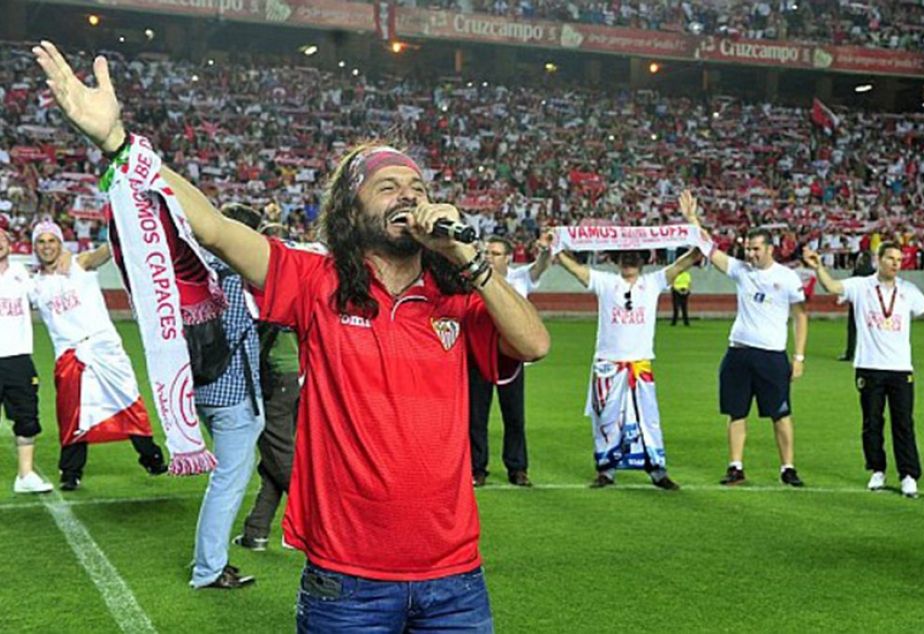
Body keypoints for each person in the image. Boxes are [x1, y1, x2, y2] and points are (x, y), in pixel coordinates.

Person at [34, 41, 548, 631]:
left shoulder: (458, 294)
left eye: (418, 187)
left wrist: (469, 259)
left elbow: (532, 344)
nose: (410, 194)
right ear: (352, 213)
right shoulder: (316, 281)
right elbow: (218, 231)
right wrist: (121, 144)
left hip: (455, 578)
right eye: (388, 187)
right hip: (347, 583)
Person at [803, 243, 924, 498]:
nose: (896, 263)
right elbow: (832, 287)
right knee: (872, 422)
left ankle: (909, 475)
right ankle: (877, 470)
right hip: (869, 367)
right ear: (879, 259)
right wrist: (819, 267)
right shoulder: (861, 285)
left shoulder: (908, 290)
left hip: (900, 368)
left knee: (904, 423)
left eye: (899, 259)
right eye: (890, 258)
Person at [679, 191, 808, 487]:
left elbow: (801, 317)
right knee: (736, 412)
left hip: (772, 356)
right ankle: (735, 466)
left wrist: (798, 357)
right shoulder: (740, 271)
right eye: (748, 248)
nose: (750, 254)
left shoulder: (788, 278)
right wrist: (691, 219)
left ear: (770, 249)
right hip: (738, 352)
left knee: (780, 414)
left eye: (755, 249)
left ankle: (788, 468)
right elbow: (708, 248)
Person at [28, 221, 166, 491]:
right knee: (72, 414)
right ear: (35, 247)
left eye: (52, 241)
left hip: (105, 349)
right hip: (70, 356)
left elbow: (108, 250)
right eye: (41, 242)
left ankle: (151, 457)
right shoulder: (34, 284)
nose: (47, 247)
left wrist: (123, 221)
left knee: (129, 403)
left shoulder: (80, 264)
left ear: (60, 243)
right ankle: (70, 472)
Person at [555, 239, 701, 490]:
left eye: (634, 255)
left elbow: (684, 262)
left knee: (648, 419)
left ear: (644, 259)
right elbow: (576, 270)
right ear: (616, 259)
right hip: (607, 363)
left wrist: (695, 231)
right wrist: (556, 247)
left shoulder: (653, 282)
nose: (629, 259)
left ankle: (657, 469)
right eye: (624, 254)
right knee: (605, 420)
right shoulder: (606, 282)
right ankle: (606, 470)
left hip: (639, 364)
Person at [190, 203, 266, 590]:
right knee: (227, 483)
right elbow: (253, 321)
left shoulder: (197, 265)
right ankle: (208, 568)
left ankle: (210, 561)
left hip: (203, 385)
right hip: (234, 390)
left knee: (225, 479)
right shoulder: (238, 274)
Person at [235, 222, 300, 552]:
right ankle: (256, 531)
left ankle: (313, 521)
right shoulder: (298, 280)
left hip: (274, 378)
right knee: (276, 457)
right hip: (297, 377)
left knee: (281, 455)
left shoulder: (261, 286)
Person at [469, 233, 553, 488]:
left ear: (508, 258)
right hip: (479, 353)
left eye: (495, 254)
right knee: (475, 416)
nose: (489, 258)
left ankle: (517, 468)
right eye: (487, 253)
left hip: (511, 359)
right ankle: (477, 468)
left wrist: (546, 251)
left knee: (514, 417)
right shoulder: (474, 278)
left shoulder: (520, 278)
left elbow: (540, 266)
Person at [0, 226, 53, 493]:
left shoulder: (22, 274)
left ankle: (25, 475)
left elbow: (44, 297)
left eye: (2, 238)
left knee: (26, 417)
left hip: (18, 358)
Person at [839, 249, 876, 361]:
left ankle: (850, 353)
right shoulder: (874, 272)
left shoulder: (857, 272)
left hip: (856, 302)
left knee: (852, 329)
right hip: (869, 305)